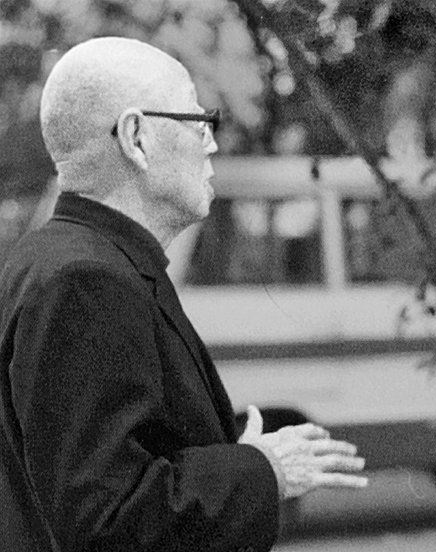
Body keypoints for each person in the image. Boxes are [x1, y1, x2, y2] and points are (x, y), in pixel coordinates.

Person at [0, 37, 368, 552]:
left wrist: (234, 458)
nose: (211, 143)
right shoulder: (87, 280)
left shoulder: (56, 257)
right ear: (137, 137)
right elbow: (108, 518)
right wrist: (264, 469)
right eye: (198, 121)